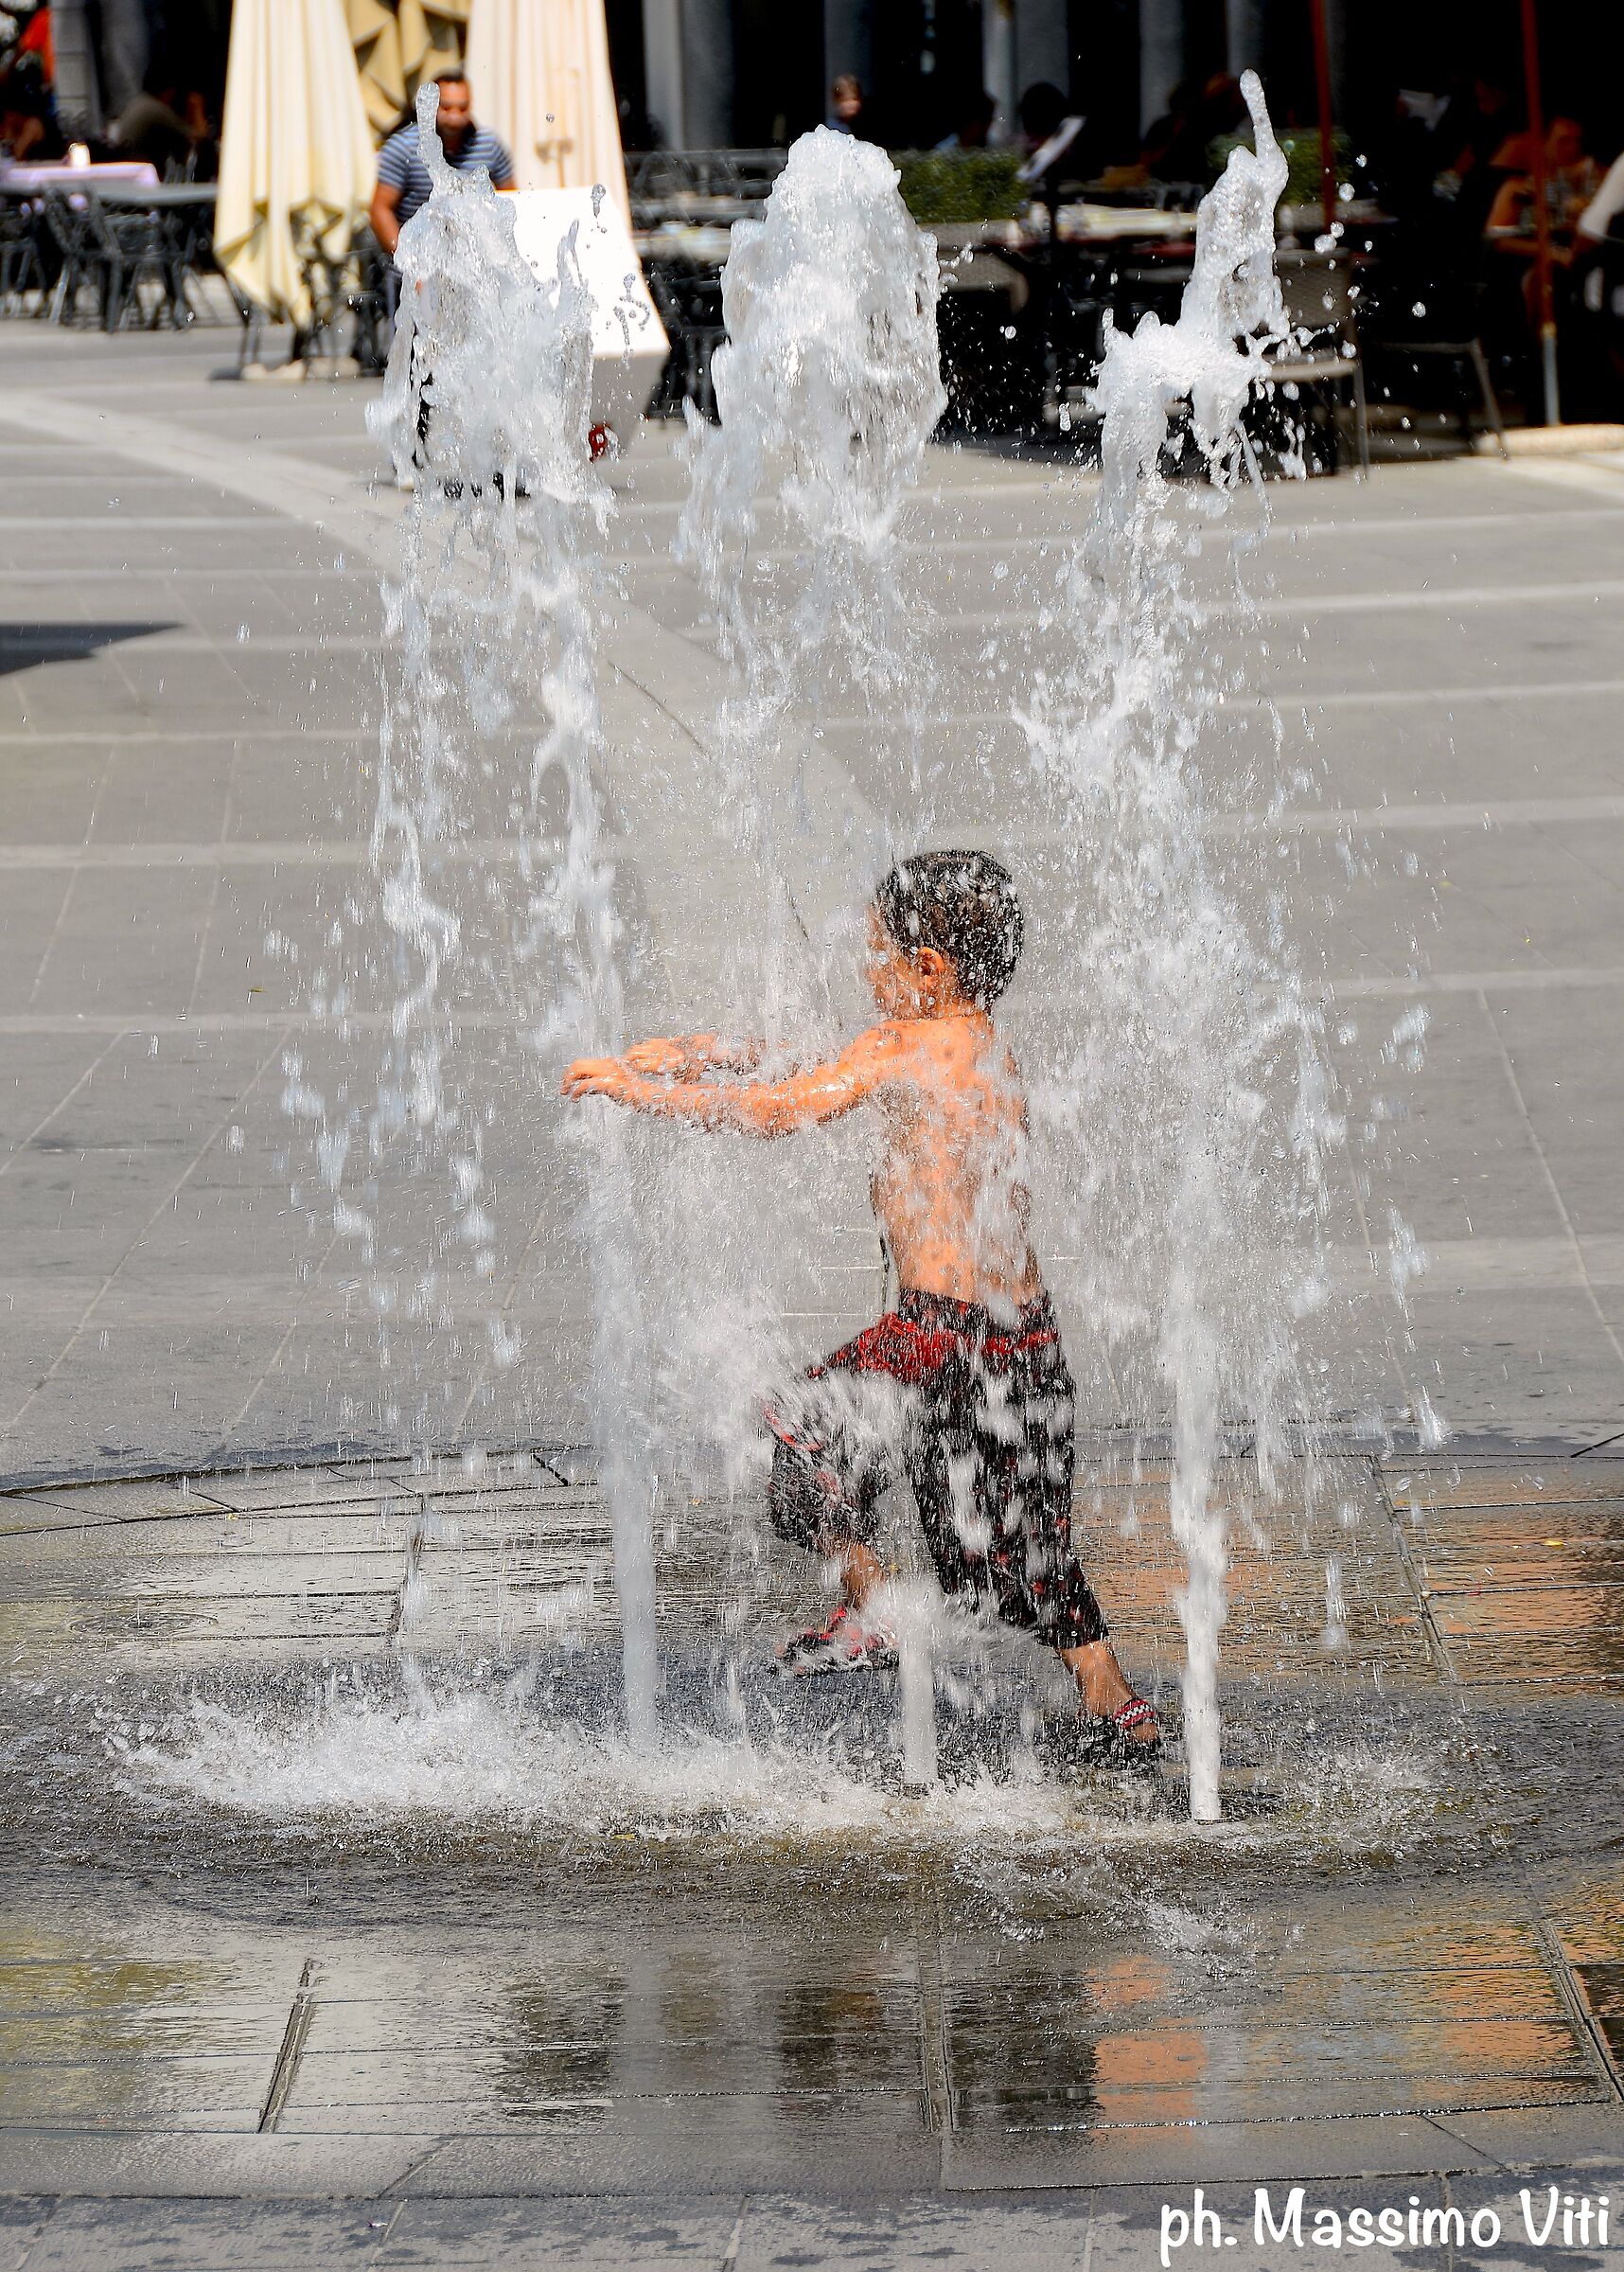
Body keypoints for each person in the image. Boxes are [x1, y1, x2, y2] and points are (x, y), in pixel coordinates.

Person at [561, 851, 1163, 1768]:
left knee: (800, 1439)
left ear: (928, 969)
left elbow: (778, 1110)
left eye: (876, 952)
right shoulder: (977, 1042)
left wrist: (646, 1092)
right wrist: (707, 1048)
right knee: (1016, 1552)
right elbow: (830, 1062)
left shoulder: (898, 1047)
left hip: (937, 1331)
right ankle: (1115, 1702)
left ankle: (872, 1611)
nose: (864, 969)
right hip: (1021, 1335)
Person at [369, 70, 515, 268]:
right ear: (431, 106)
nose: (454, 117)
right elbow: (380, 209)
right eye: (446, 108)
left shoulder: (488, 145)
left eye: (462, 109)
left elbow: (513, 199)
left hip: (473, 263)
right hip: (414, 261)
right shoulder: (403, 148)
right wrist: (408, 263)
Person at [826, 73, 867, 138]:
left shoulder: (864, 123)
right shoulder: (832, 128)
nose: (851, 104)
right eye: (846, 100)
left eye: (854, 99)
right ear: (837, 101)